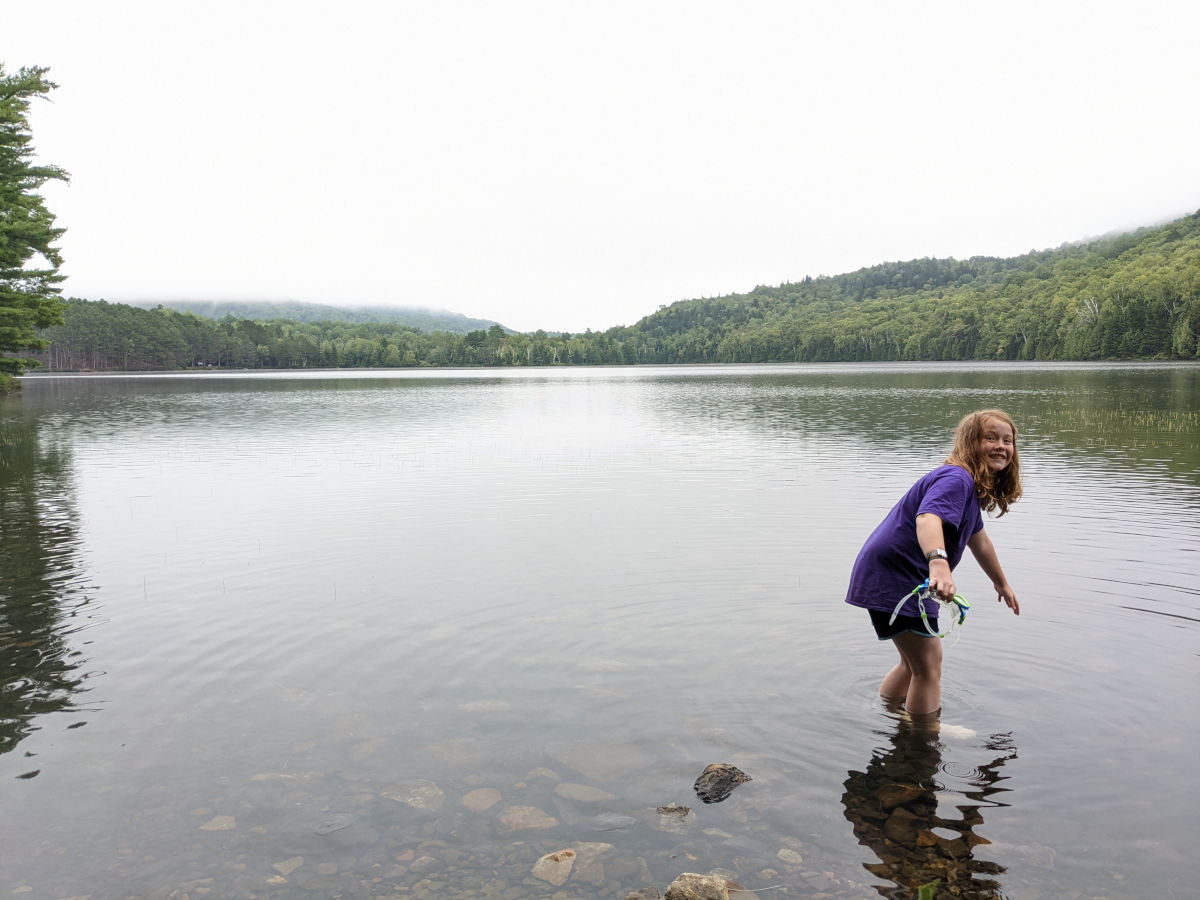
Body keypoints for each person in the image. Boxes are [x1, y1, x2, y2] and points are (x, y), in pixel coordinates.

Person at [845, 410, 1022, 717]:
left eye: (1007, 441)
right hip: (897, 575)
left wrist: (1001, 583)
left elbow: (979, 539)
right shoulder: (956, 478)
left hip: (894, 574)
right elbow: (928, 518)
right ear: (969, 443)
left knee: (914, 663)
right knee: (928, 665)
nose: (1001, 446)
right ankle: (923, 743)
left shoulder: (967, 487)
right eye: (990, 438)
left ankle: (890, 714)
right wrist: (939, 564)